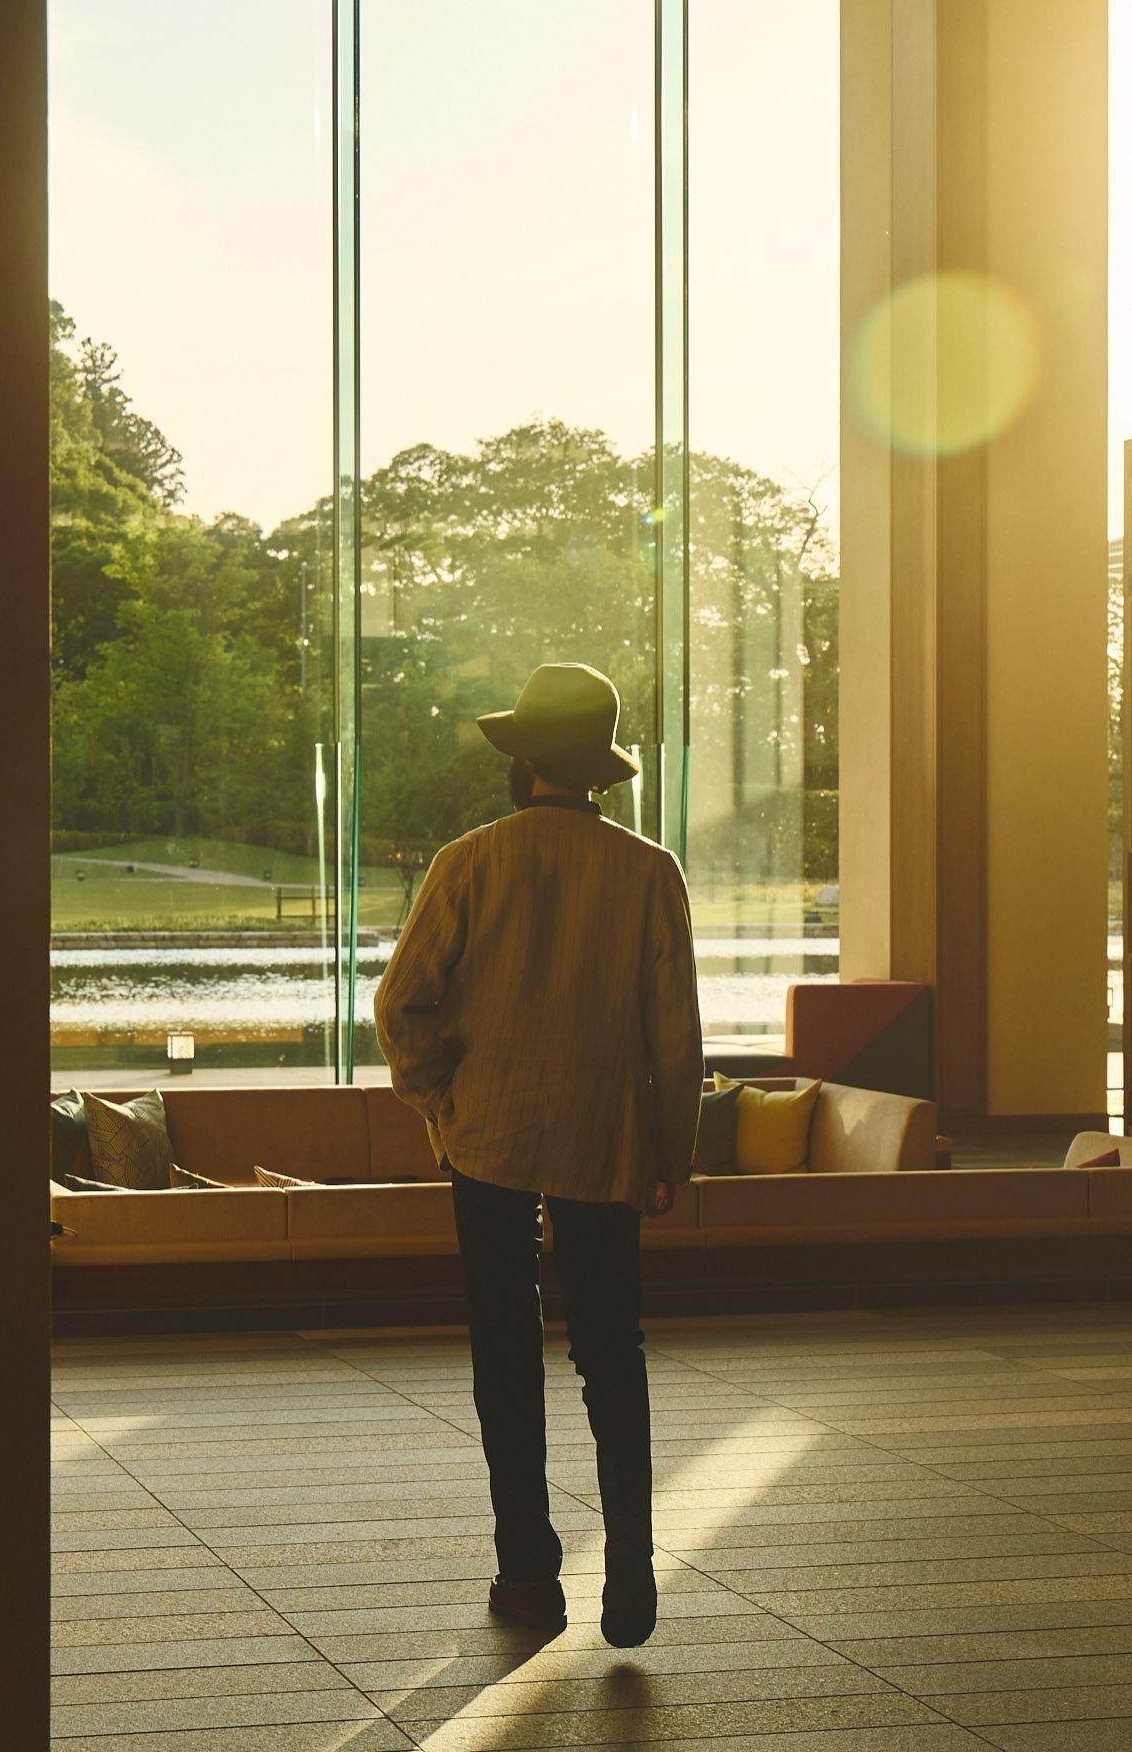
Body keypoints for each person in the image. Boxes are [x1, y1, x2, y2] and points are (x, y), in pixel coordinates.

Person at [373, 661, 700, 1648]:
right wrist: (668, 1156)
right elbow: (676, 1038)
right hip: (605, 1143)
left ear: (521, 763)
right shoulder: (649, 872)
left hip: (491, 1142)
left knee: (505, 1353)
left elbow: (401, 1006)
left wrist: (441, 1100)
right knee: (613, 1353)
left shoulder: (467, 863)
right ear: (600, 774)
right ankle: (633, 1572)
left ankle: (530, 1574)